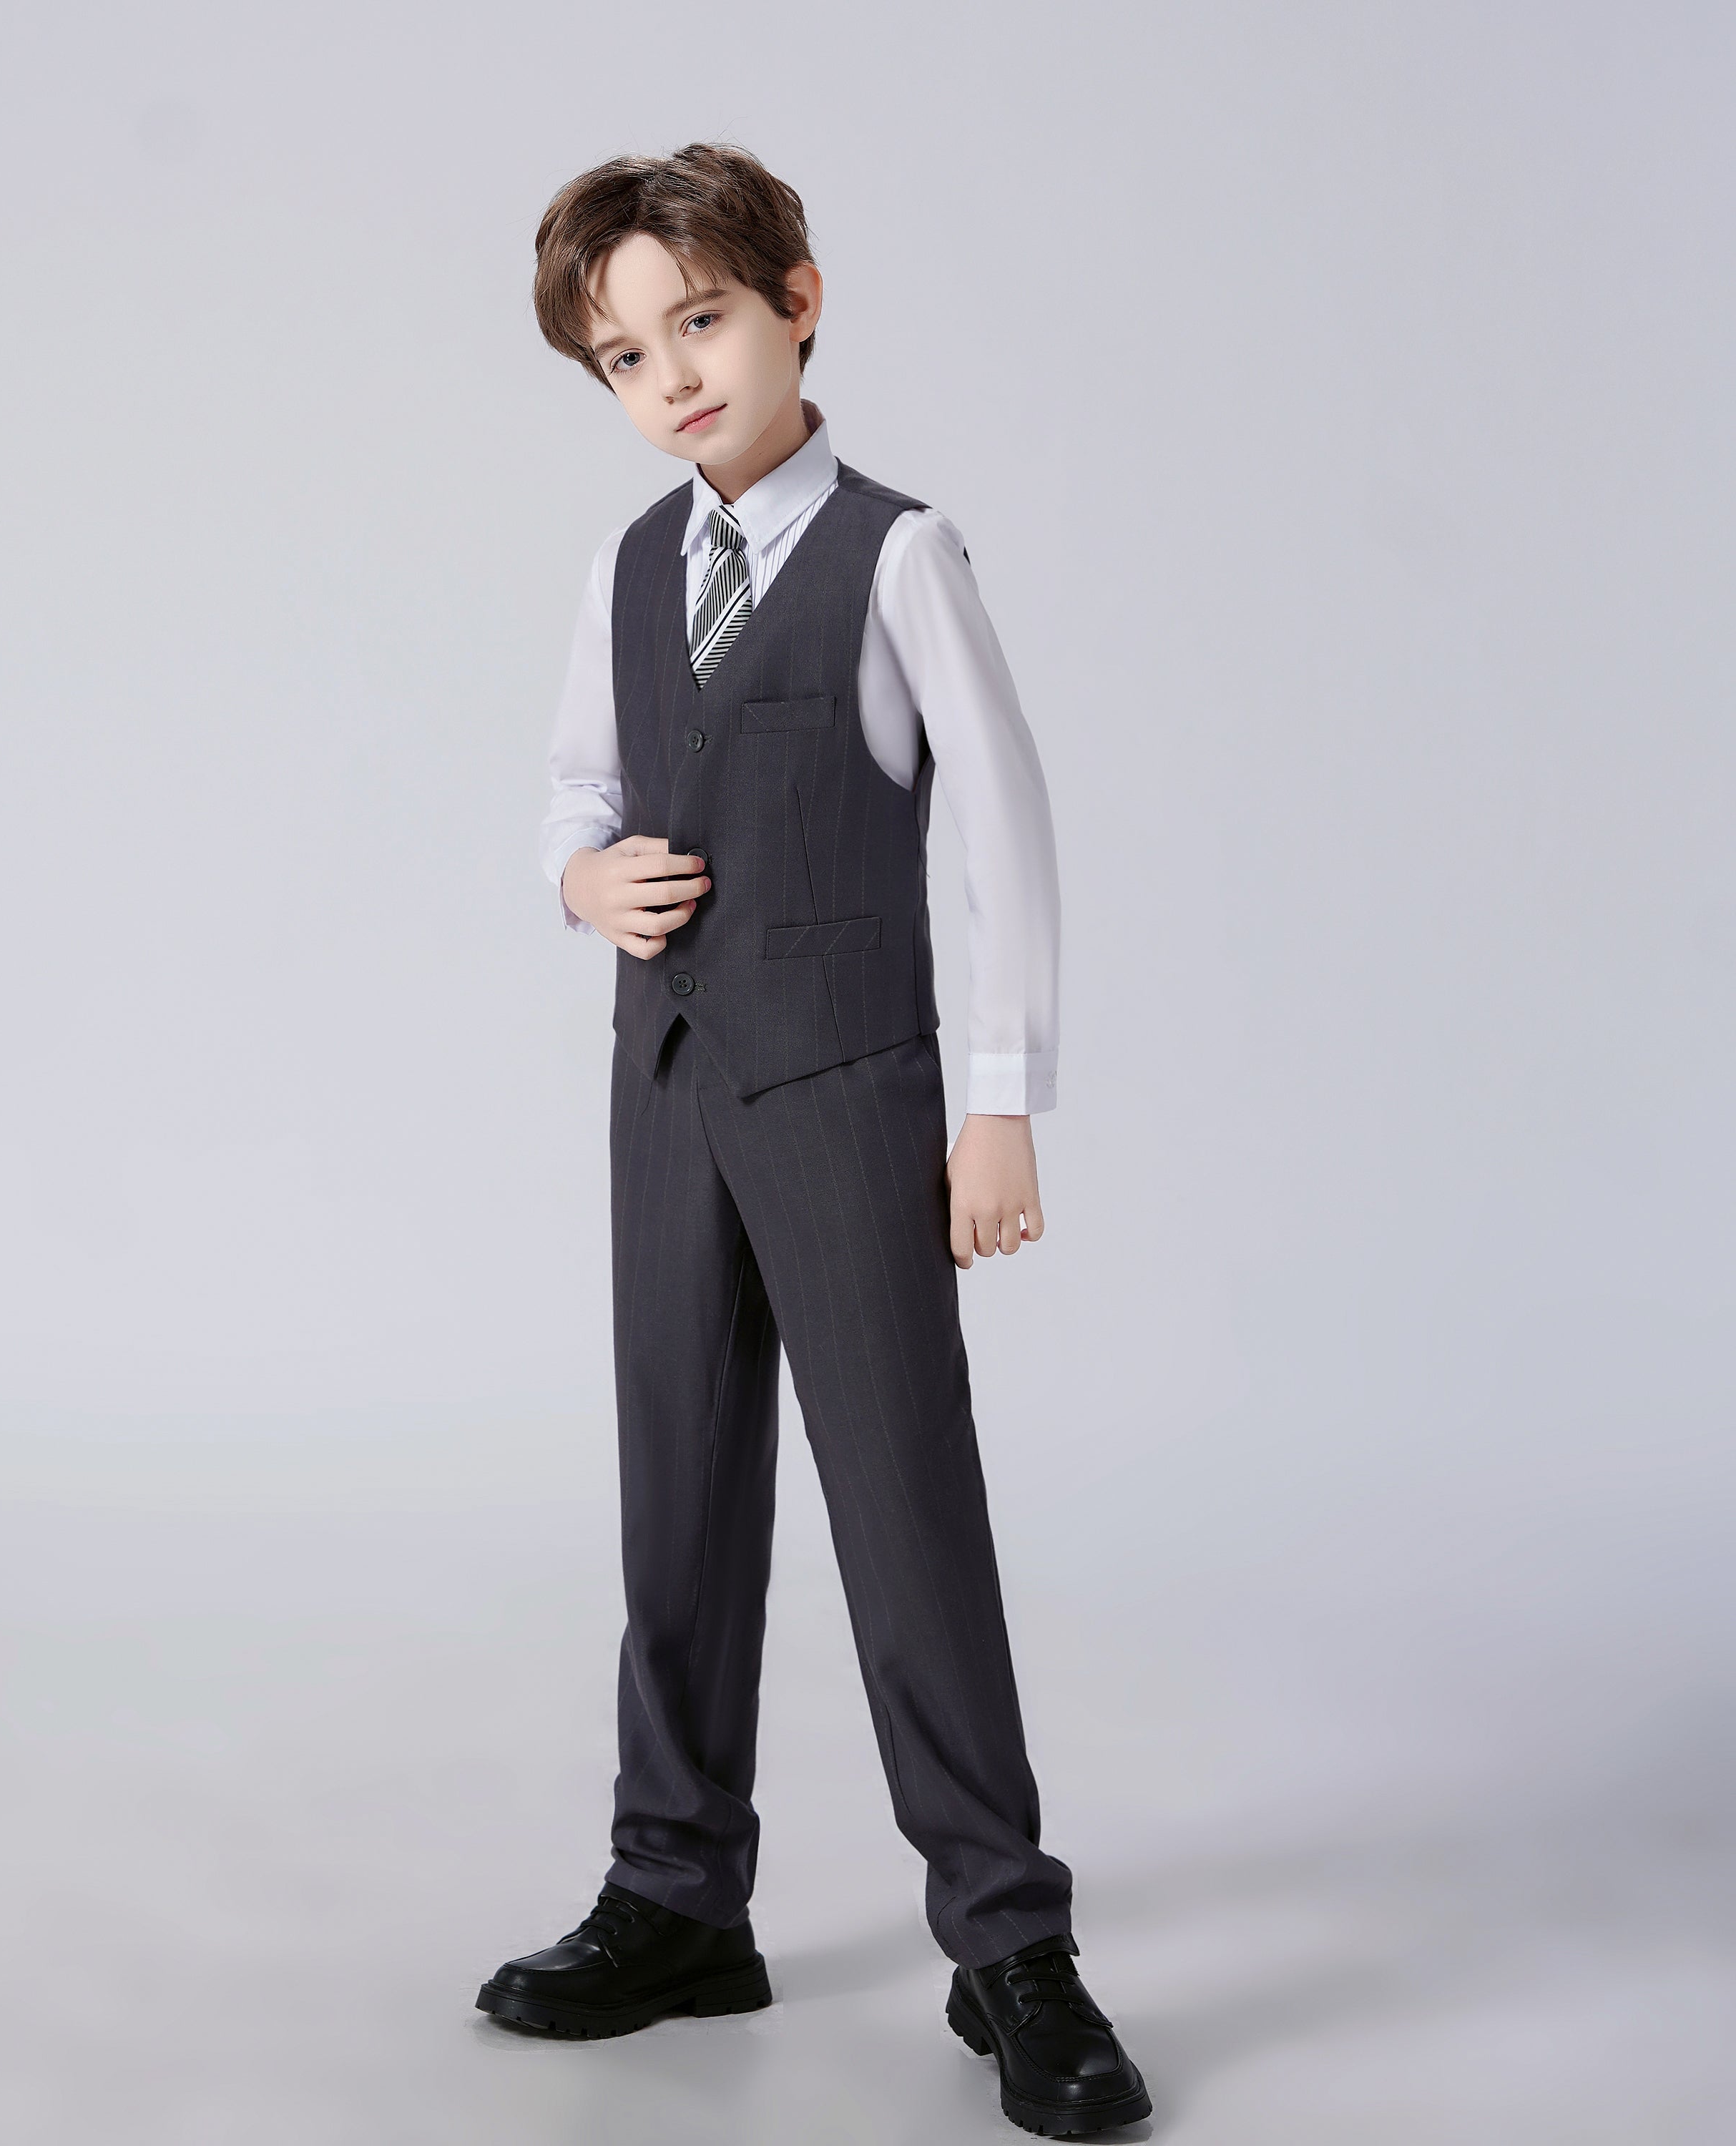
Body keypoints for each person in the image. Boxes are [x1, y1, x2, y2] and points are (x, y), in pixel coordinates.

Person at [474, 142, 1150, 2138]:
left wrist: (1000, 1104)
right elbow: (575, 786)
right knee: (678, 1496)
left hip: (853, 1095)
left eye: (699, 321)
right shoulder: (628, 569)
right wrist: (579, 881)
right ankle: (677, 1894)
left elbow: (1008, 828)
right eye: (625, 357)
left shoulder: (898, 555)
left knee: (904, 1504)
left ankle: (1009, 1941)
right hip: (670, 1088)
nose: (672, 377)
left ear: (796, 302)